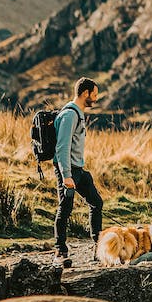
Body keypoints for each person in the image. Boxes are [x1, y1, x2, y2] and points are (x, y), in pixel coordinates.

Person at [52, 77, 102, 268]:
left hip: (78, 168)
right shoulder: (70, 115)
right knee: (65, 208)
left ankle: (99, 247)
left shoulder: (78, 113)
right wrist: (66, 176)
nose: (95, 99)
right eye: (94, 95)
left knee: (96, 202)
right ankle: (60, 252)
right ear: (85, 93)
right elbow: (62, 147)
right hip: (68, 170)